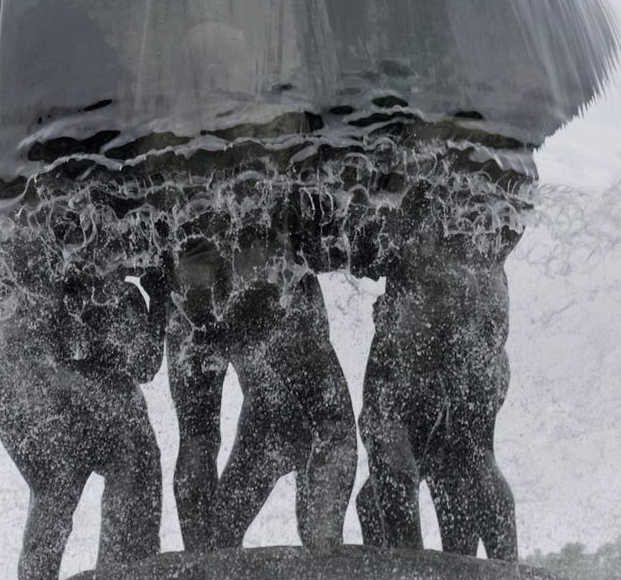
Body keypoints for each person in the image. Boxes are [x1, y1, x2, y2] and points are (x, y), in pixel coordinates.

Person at [0, 206, 167, 580]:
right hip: (16, 363)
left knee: (56, 483)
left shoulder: (118, 296)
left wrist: (158, 299)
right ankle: (120, 579)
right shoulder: (60, 245)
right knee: (125, 431)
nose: (127, 261)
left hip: (2, 370)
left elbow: (144, 364)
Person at [167, 242, 356, 552]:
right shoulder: (264, 267)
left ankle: (204, 566)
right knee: (222, 540)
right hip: (274, 424)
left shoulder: (257, 268)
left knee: (199, 445)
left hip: (303, 426)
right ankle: (205, 569)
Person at [357, 196, 517, 558]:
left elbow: (364, 246)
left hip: (425, 299)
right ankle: (505, 572)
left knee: (386, 428)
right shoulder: (488, 187)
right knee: (472, 453)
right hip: (488, 302)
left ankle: (410, 574)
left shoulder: (419, 187)